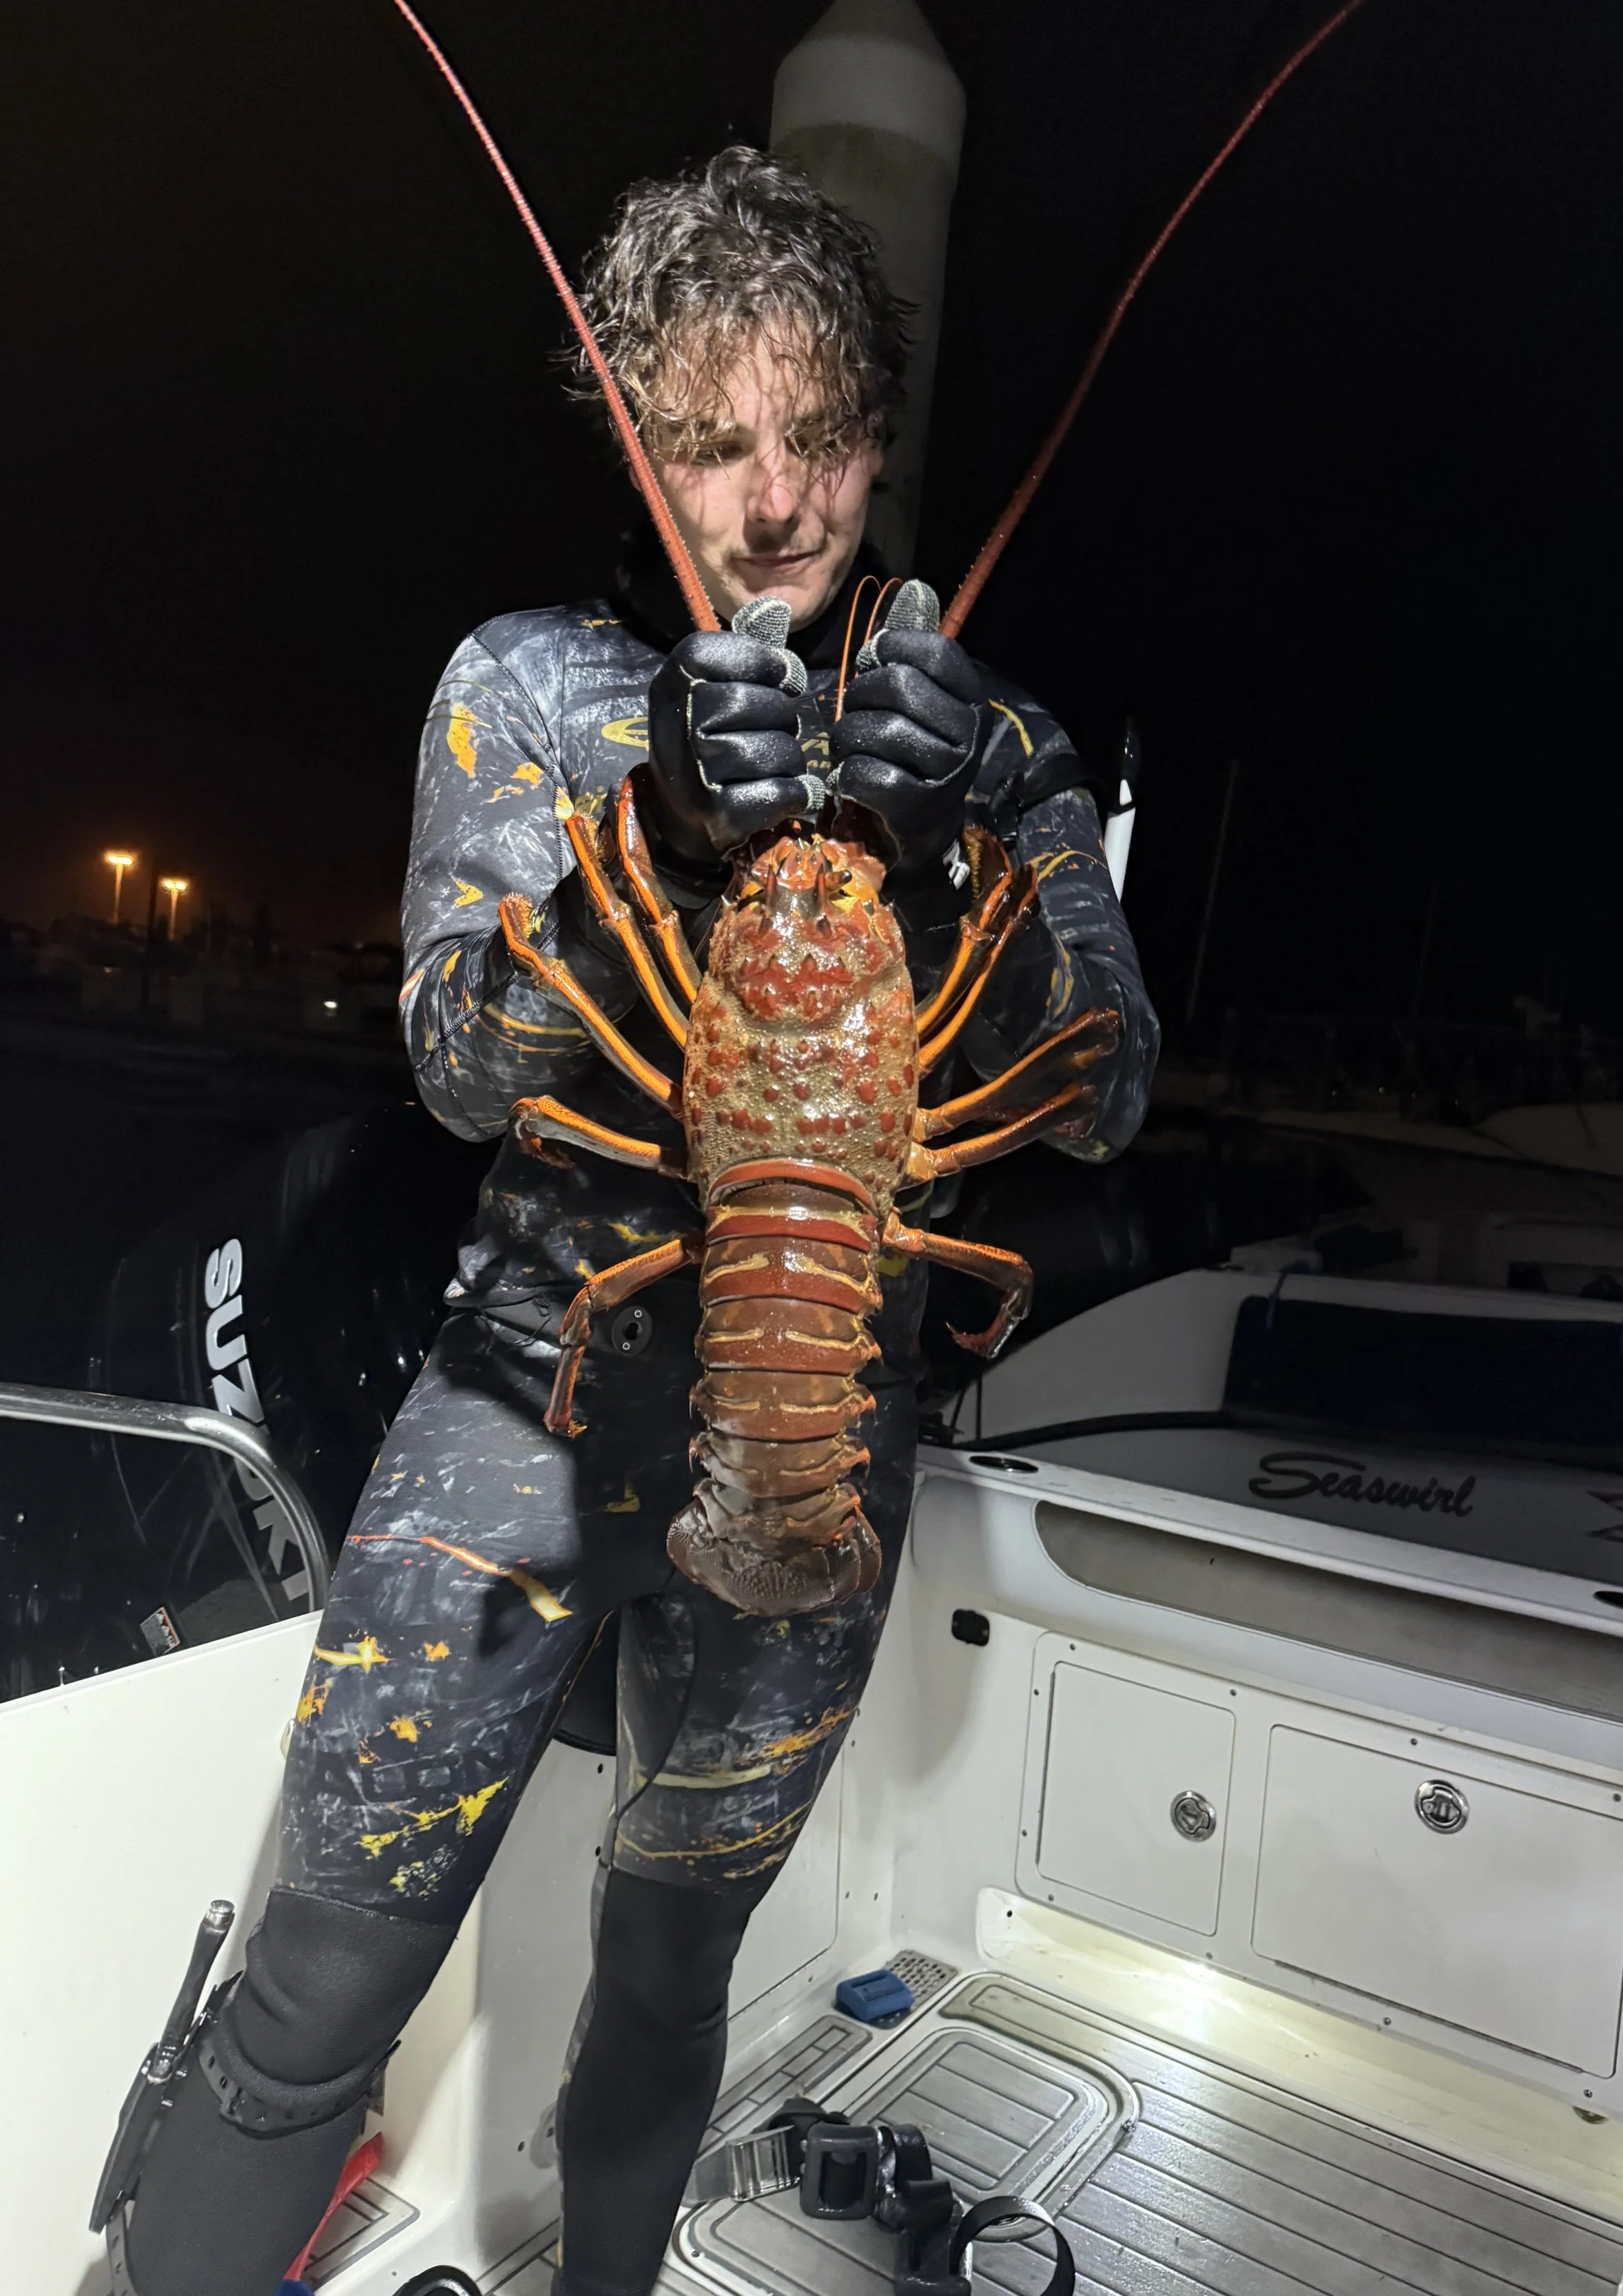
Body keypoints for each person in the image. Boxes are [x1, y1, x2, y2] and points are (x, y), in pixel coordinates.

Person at [106, 145, 1156, 2296]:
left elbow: (1110, 1089)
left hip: (808, 1454)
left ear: (873, 433)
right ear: (635, 441)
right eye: (708, 442)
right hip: (512, 1405)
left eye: (820, 435)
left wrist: (968, 847)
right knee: (323, 1965)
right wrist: (654, 828)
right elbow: (461, 1060)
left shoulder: (994, 740)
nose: (771, 502)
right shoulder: (532, 686)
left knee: (672, 1973)